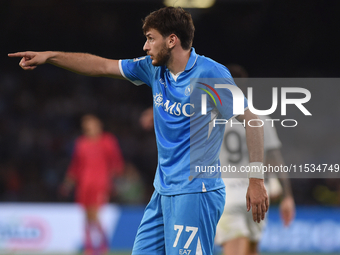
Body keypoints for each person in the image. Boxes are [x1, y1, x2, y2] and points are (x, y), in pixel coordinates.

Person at [9, 7, 269, 255]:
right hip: (163, 192)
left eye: (150, 39)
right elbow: (101, 66)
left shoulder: (210, 74)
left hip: (195, 193)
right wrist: (50, 56)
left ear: (172, 40)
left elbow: (253, 120)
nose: (145, 46)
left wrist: (256, 180)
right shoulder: (152, 68)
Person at [215, 64, 295, 255]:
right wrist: (287, 196)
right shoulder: (261, 116)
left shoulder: (211, 117)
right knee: (251, 250)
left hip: (226, 194)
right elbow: (275, 159)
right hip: (257, 193)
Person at [59, 114, 124, 255]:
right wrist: (68, 183)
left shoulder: (107, 141)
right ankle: (89, 247)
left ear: (99, 125)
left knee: (95, 214)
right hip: (84, 184)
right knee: (86, 216)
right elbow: (76, 166)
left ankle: (102, 246)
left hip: (100, 183)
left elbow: (116, 162)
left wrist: (116, 182)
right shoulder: (81, 143)